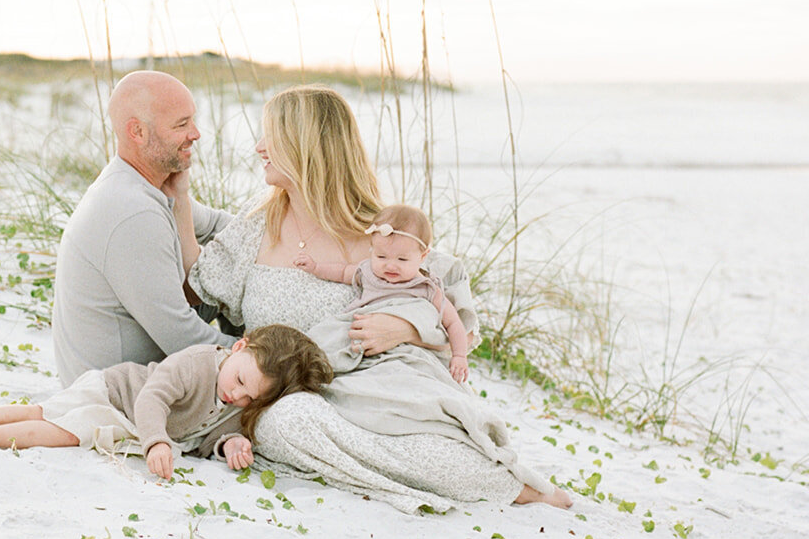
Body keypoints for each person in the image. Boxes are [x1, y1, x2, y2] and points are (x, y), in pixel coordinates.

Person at [187, 85, 573, 512]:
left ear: (305, 146)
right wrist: (172, 195)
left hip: (383, 395)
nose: (259, 148)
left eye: (271, 137)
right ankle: (461, 481)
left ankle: (497, 482)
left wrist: (408, 327)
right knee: (282, 422)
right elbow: (195, 290)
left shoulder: (381, 236)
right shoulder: (256, 228)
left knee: (426, 443)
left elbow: (455, 314)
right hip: (300, 402)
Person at [0, 325, 332, 480]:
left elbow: (208, 437)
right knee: (51, 420)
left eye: (250, 397)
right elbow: (154, 397)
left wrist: (230, 445)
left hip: (127, 423)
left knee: (57, 424)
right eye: (240, 379)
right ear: (238, 346)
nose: (236, 395)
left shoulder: (238, 403)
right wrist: (156, 441)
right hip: (116, 395)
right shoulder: (199, 363)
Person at [52, 71, 233, 386]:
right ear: (137, 131)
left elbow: (223, 226)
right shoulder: (133, 212)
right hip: (119, 392)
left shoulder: (144, 184)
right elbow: (183, 339)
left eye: (192, 120)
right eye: (181, 125)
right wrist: (271, 356)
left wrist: (287, 236)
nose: (196, 133)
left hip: (142, 364)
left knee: (242, 278)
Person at [294, 203, 470, 383]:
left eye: (402, 259)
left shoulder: (427, 288)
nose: (390, 265)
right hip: (362, 335)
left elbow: (454, 323)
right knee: (324, 336)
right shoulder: (368, 273)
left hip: (402, 350)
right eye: (381, 257)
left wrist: (459, 356)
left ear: (423, 256)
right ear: (372, 251)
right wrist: (315, 268)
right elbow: (342, 272)